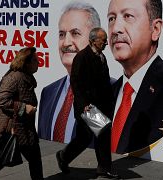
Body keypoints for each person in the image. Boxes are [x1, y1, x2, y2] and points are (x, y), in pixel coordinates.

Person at [107, 0, 163, 154]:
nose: (115, 29)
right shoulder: (106, 92)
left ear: (155, 29)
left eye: (128, 16)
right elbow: (96, 137)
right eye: (111, 19)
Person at [55, 28, 119, 179]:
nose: (105, 43)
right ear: (93, 40)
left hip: (101, 105)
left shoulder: (101, 56)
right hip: (88, 106)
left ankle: (64, 156)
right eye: (102, 40)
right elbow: (75, 82)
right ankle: (104, 168)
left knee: (84, 138)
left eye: (105, 40)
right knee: (102, 133)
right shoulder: (82, 57)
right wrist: (84, 103)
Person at [38, 1, 101, 143]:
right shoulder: (48, 92)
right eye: (61, 34)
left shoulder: (112, 90)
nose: (66, 42)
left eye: (75, 33)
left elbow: (101, 135)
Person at [0, 47, 43, 180]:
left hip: (24, 127)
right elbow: (1, 99)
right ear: (26, 62)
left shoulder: (26, 76)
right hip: (12, 128)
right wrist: (24, 108)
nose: (39, 63)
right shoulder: (14, 78)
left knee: (35, 159)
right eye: (36, 60)